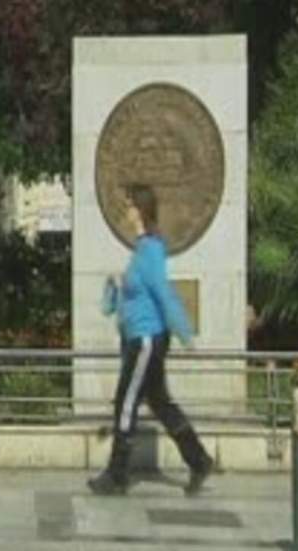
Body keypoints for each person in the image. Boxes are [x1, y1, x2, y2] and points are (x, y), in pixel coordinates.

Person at [88, 184, 215, 496]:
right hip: (139, 337)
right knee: (159, 402)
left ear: (140, 210)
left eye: (129, 205)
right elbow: (133, 296)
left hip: (146, 340)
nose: (126, 211)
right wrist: (113, 291)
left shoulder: (152, 250)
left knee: (126, 402)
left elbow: (163, 293)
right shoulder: (142, 249)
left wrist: (185, 333)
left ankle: (117, 474)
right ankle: (199, 460)